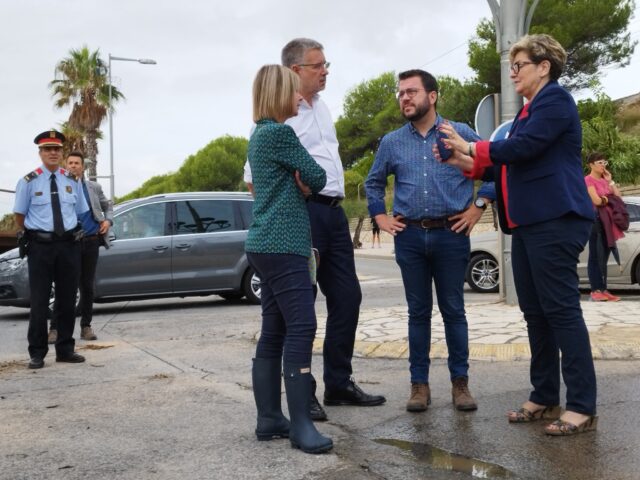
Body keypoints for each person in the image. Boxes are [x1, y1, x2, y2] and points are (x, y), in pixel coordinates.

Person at [437, 34, 598, 436]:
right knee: (535, 313)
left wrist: (473, 148)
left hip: (556, 219)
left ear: (544, 67)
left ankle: (582, 405)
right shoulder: (529, 113)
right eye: (511, 65)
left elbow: (523, 150)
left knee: (560, 311)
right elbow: (506, 165)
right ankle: (544, 395)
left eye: (519, 65)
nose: (512, 72)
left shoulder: (555, 101)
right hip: (527, 223)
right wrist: (463, 160)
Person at [244, 38, 385, 422]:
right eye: (317, 65)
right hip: (301, 218)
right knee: (298, 311)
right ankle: (302, 395)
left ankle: (339, 383)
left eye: (326, 64)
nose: (325, 71)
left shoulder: (322, 110)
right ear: (295, 71)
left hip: (334, 213)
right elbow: (255, 183)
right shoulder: (277, 122)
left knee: (348, 298)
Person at [365, 69, 494, 413]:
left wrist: (477, 208)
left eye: (411, 92)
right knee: (418, 313)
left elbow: (495, 171)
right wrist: (379, 216)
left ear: (432, 96)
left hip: (451, 235)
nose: (404, 98)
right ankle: (419, 386)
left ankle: (460, 385)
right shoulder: (392, 142)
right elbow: (373, 182)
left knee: (454, 311)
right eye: (400, 93)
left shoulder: (460, 133)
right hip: (409, 237)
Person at [247, 64, 332, 454]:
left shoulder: (259, 134)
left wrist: (301, 180)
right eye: (295, 92)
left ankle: (269, 419)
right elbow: (317, 177)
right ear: (281, 93)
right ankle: (300, 425)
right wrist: (305, 181)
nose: (301, 97)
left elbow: (305, 178)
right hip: (284, 243)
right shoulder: (281, 133)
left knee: (275, 328)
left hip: (264, 243)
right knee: (302, 325)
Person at [13, 130, 89, 369]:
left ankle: (65, 349)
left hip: (68, 246)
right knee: (39, 300)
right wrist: (36, 234)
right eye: (48, 149)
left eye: (56, 149)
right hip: (41, 247)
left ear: (61, 152)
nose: (53, 153)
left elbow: (80, 212)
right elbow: (19, 215)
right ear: (40, 153)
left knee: (67, 299)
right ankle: (37, 352)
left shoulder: (72, 180)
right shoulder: (28, 182)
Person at [48, 151, 113, 344]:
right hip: (69, 242)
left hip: (91, 241)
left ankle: (86, 326)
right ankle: (55, 328)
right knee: (63, 285)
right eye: (71, 163)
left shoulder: (93, 187)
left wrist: (108, 220)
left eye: (77, 163)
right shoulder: (58, 187)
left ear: (82, 167)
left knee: (87, 286)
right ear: (65, 166)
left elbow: (107, 205)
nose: (74, 166)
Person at [584, 152, 623, 302]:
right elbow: (596, 200)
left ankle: (604, 289)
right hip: (595, 220)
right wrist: (609, 198)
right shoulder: (587, 180)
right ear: (591, 165)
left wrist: (610, 182)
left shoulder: (605, 180)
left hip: (608, 221)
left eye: (604, 163)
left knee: (605, 255)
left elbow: (618, 198)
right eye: (600, 162)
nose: (603, 166)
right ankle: (595, 290)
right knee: (595, 255)